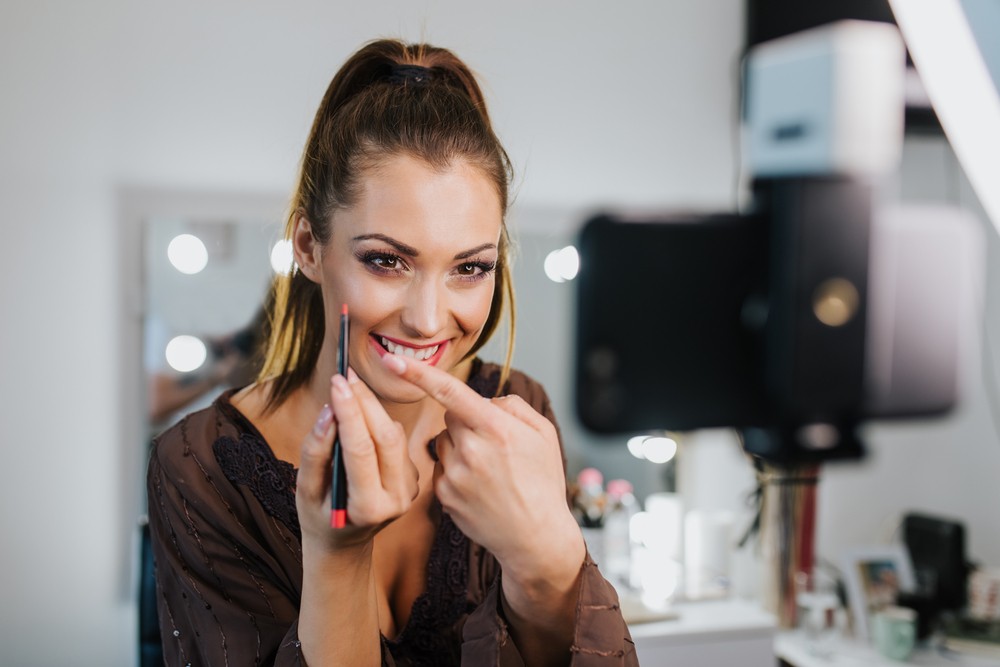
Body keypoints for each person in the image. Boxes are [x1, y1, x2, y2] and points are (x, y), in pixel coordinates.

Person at [147, 39, 637, 666]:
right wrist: (338, 556)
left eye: (470, 268)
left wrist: (546, 561)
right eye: (385, 260)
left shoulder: (516, 414)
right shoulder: (199, 466)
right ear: (308, 245)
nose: (429, 319)